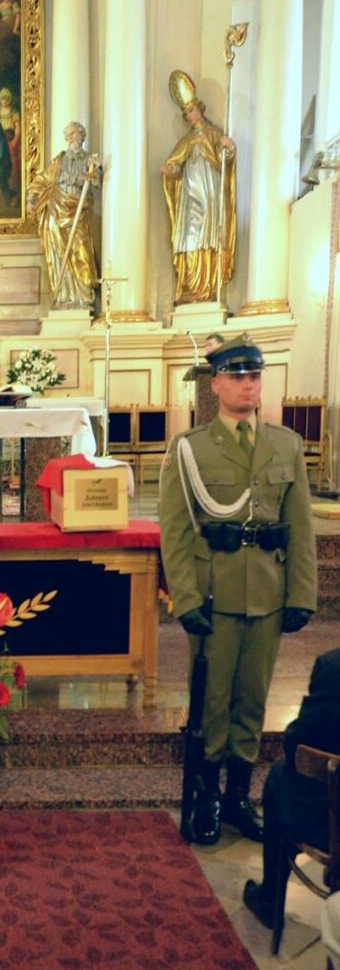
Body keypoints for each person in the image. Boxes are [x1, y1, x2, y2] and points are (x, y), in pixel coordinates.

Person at [159, 334, 317, 847]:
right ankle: (205, 796)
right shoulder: (190, 449)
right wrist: (184, 599)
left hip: (268, 596)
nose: (248, 385)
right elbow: (177, 532)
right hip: (214, 595)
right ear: (217, 383)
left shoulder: (285, 444)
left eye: (255, 376)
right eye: (238, 376)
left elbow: (300, 528)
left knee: (253, 700)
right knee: (213, 702)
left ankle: (237, 798)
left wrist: (302, 595)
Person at [242, 647, 340, 929]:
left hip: (331, 827)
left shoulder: (334, 667)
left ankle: (270, 898)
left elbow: (300, 742)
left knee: (280, 775)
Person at [162, 70, 237, 304]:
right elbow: (174, 165)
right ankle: (191, 286)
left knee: (208, 233)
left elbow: (226, 163)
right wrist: (171, 170)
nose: (189, 115)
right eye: (185, 113)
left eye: (190, 110)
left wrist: (229, 148)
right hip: (189, 192)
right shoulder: (185, 141)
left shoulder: (214, 134)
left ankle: (207, 287)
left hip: (210, 190)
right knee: (190, 235)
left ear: (199, 108)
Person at [26, 121, 99, 309]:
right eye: (67, 135)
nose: (70, 138)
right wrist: (31, 200)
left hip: (78, 211)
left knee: (81, 252)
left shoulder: (89, 160)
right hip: (57, 212)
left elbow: (97, 182)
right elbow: (42, 179)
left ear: (82, 135)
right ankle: (65, 297)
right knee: (59, 254)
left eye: (73, 134)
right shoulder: (59, 160)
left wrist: (93, 173)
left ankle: (83, 297)